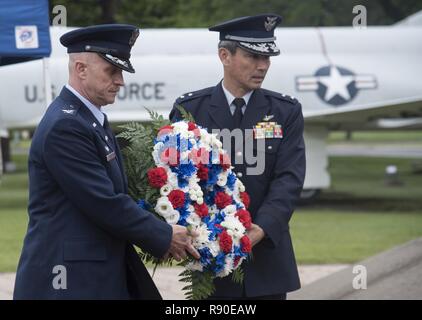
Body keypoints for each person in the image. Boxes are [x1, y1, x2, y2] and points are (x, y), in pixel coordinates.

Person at [14, 24, 199, 300]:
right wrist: (163, 234)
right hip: (69, 279)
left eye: (121, 72)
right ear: (80, 69)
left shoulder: (88, 119)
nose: (121, 81)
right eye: (112, 71)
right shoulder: (66, 126)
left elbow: (114, 194)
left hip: (92, 271)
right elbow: (104, 201)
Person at [170, 14, 306, 300]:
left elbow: (289, 179)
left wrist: (262, 228)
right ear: (224, 55)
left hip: (267, 258)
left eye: (267, 58)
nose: (262, 66)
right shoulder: (190, 110)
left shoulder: (285, 111)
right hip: (211, 260)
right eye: (253, 56)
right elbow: (176, 181)